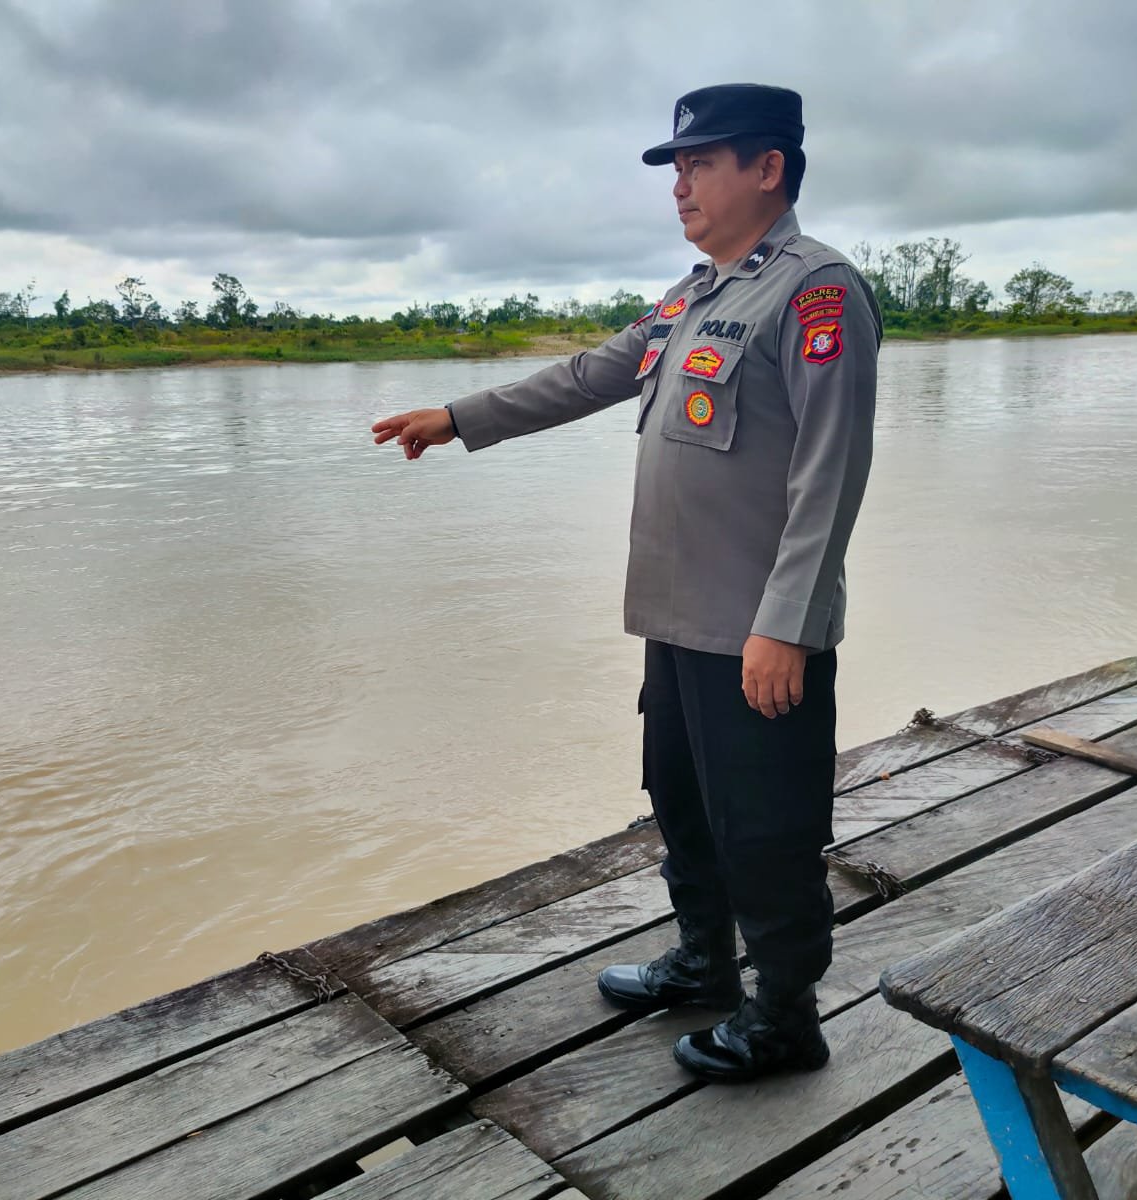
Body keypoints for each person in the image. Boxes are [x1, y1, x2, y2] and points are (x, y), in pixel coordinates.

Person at [370, 83, 879, 1084]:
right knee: (681, 798)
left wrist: (787, 623)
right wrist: (458, 417)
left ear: (767, 168)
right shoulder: (694, 296)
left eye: (700, 164)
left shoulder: (815, 292)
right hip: (677, 618)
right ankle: (703, 962)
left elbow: (832, 470)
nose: (679, 185)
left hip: (756, 631)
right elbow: (586, 375)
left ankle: (785, 1017)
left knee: (767, 824)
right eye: (676, 168)